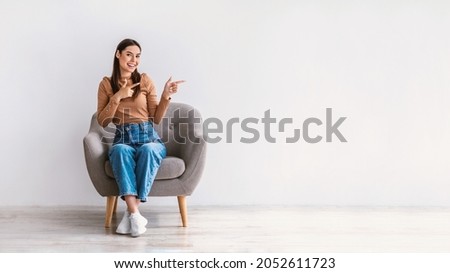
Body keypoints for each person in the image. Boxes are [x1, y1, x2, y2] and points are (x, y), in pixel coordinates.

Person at [96, 38, 184, 237]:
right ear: (118, 54)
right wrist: (118, 96)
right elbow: (102, 121)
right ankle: (135, 214)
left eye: (137, 56)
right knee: (118, 151)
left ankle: (131, 214)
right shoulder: (106, 84)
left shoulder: (144, 80)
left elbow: (156, 118)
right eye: (129, 54)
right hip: (122, 137)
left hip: (148, 137)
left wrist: (165, 95)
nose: (133, 60)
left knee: (148, 150)